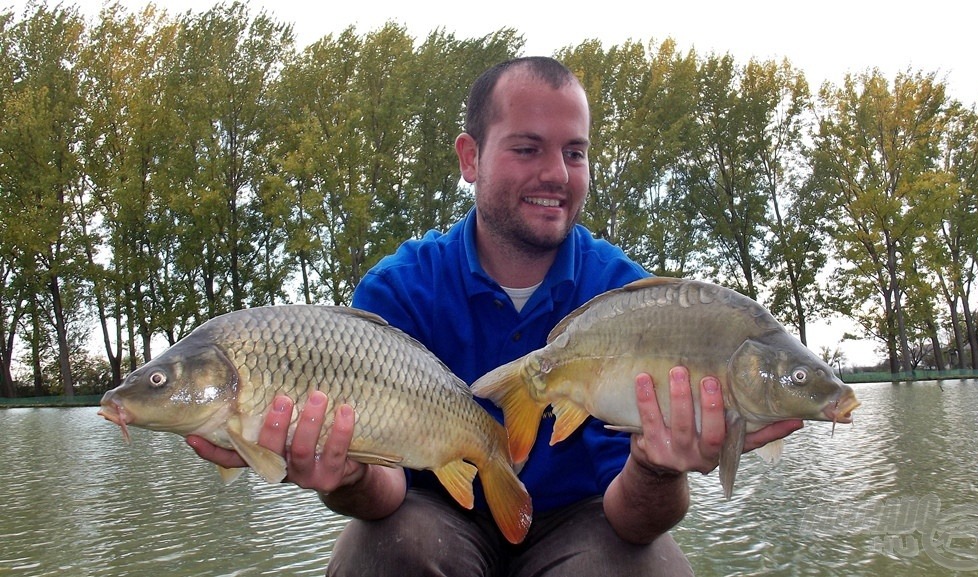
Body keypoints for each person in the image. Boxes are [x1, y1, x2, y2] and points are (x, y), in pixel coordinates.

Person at [188, 56, 803, 576]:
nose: (556, 175)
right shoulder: (399, 290)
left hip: (587, 520)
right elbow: (386, 494)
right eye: (528, 148)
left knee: (651, 565)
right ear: (469, 158)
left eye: (575, 152)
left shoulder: (629, 299)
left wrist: (657, 467)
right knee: (380, 548)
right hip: (435, 510)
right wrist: (343, 478)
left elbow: (633, 518)